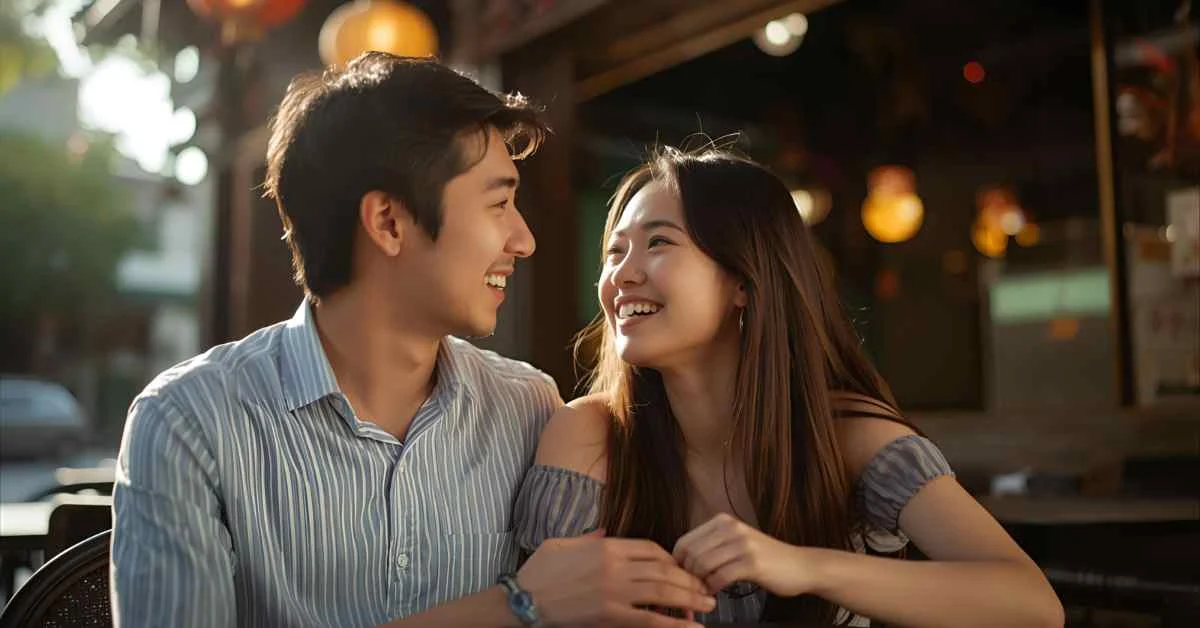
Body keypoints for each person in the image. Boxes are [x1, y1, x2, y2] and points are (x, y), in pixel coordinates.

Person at [110, 54, 715, 628]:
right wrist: (516, 606)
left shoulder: (531, 408)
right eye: (499, 202)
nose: (524, 239)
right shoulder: (189, 421)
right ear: (389, 223)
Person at [515, 146, 1066, 627]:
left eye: (658, 243)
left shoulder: (846, 435)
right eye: (615, 252)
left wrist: (801, 566)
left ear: (743, 281)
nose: (622, 275)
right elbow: (539, 608)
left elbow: (1032, 604)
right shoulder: (590, 433)